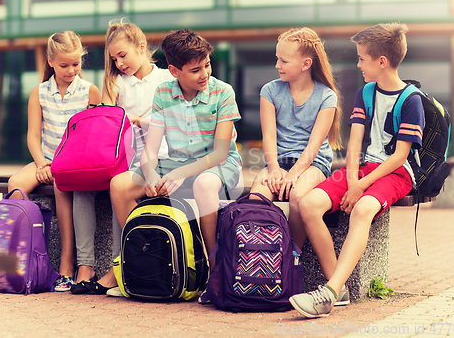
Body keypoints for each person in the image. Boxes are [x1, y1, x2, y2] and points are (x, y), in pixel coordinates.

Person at [289, 23, 425, 318]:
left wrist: (360, 187)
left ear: (382, 61)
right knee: (309, 203)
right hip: (364, 169)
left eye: (362, 58)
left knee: (362, 209)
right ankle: (337, 290)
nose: (358, 64)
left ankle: (327, 292)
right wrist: (353, 179)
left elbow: (400, 157)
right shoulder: (366, 93)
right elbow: (354, 144)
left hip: (396, 174)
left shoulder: (411, 100)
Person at [97, 28, 242, 291]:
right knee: (119, 185)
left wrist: (180, 174)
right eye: (196, 70)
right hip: (177, 164)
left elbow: (221, 153)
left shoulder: (223, 92)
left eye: (207, 65)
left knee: (204, 185)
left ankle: (213, 269)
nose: (205, 74)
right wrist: (151, 175)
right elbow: (150, 151)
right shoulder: (164, 92)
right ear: (175, 71)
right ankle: (145, 256)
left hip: (219, 165)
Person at [70, 19, 174, 294]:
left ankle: (119, 264)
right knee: (81, 188)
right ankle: (85, 265)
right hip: (120, 158)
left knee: (120, 183)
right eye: (114, 58)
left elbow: (172, 119)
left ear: (142, 47)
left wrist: (136, 119)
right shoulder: (115, 82)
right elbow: (107, 124)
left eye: (123, 55)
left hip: (158, 159)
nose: (118, 63)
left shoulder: (166, 78)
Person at [8, 31, 101, 291]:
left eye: (76, 64)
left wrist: (57, 166)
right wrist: (41, 164)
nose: (71, 70)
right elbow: (33, 135)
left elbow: (92, 139)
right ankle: (23, 258)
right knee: (15, 183)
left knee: (61, 186)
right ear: (50, 61)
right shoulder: (38, 92)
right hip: (44, 160)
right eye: (64, 65)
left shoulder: (90, 91)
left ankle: (66, 265)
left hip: (73, 163)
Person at [249, 27, 342, 253]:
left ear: (306, 64)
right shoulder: (269, 91)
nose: (277, 65)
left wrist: (293, 174)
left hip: (312, 163)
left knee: (299, 195)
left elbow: (314, 145)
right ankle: (260, 256)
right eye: (277, 59)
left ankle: (292, 256)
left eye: (284, 61)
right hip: (278, 161)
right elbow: (269, 136)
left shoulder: (327, 96)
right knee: (256, 199)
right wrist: (273, 169)